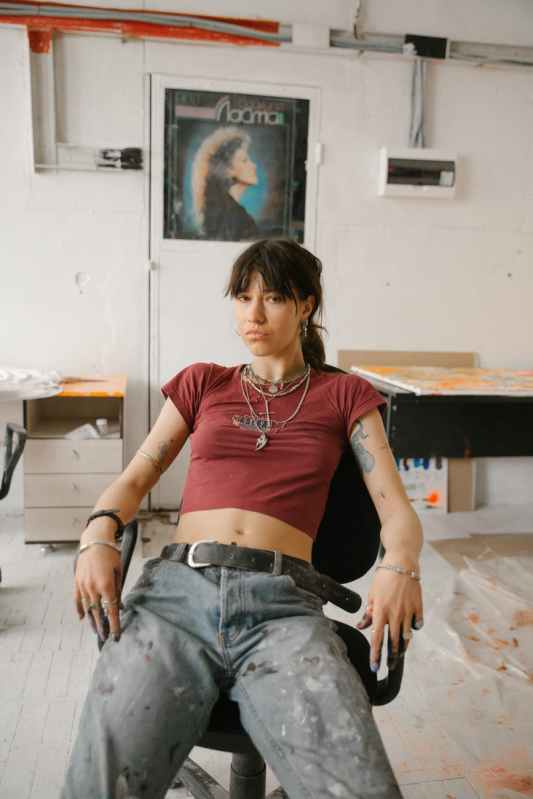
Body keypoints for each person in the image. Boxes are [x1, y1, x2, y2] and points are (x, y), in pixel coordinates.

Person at [62, 238, 424, 799]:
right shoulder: (205, 383)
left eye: (274, 297)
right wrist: (97, 534)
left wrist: (400, 566)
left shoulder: (345, 394)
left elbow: (396, 511)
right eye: (242, 296)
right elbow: (135, 478)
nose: (252, 314)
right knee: (98, 787)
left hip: (283, 607)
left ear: (306, 306)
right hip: (174, 599)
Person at [191, 126, 259, 241]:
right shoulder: (235, 217)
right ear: (227, 171)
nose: (254, 165)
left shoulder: (226, 212)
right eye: (244, 160)